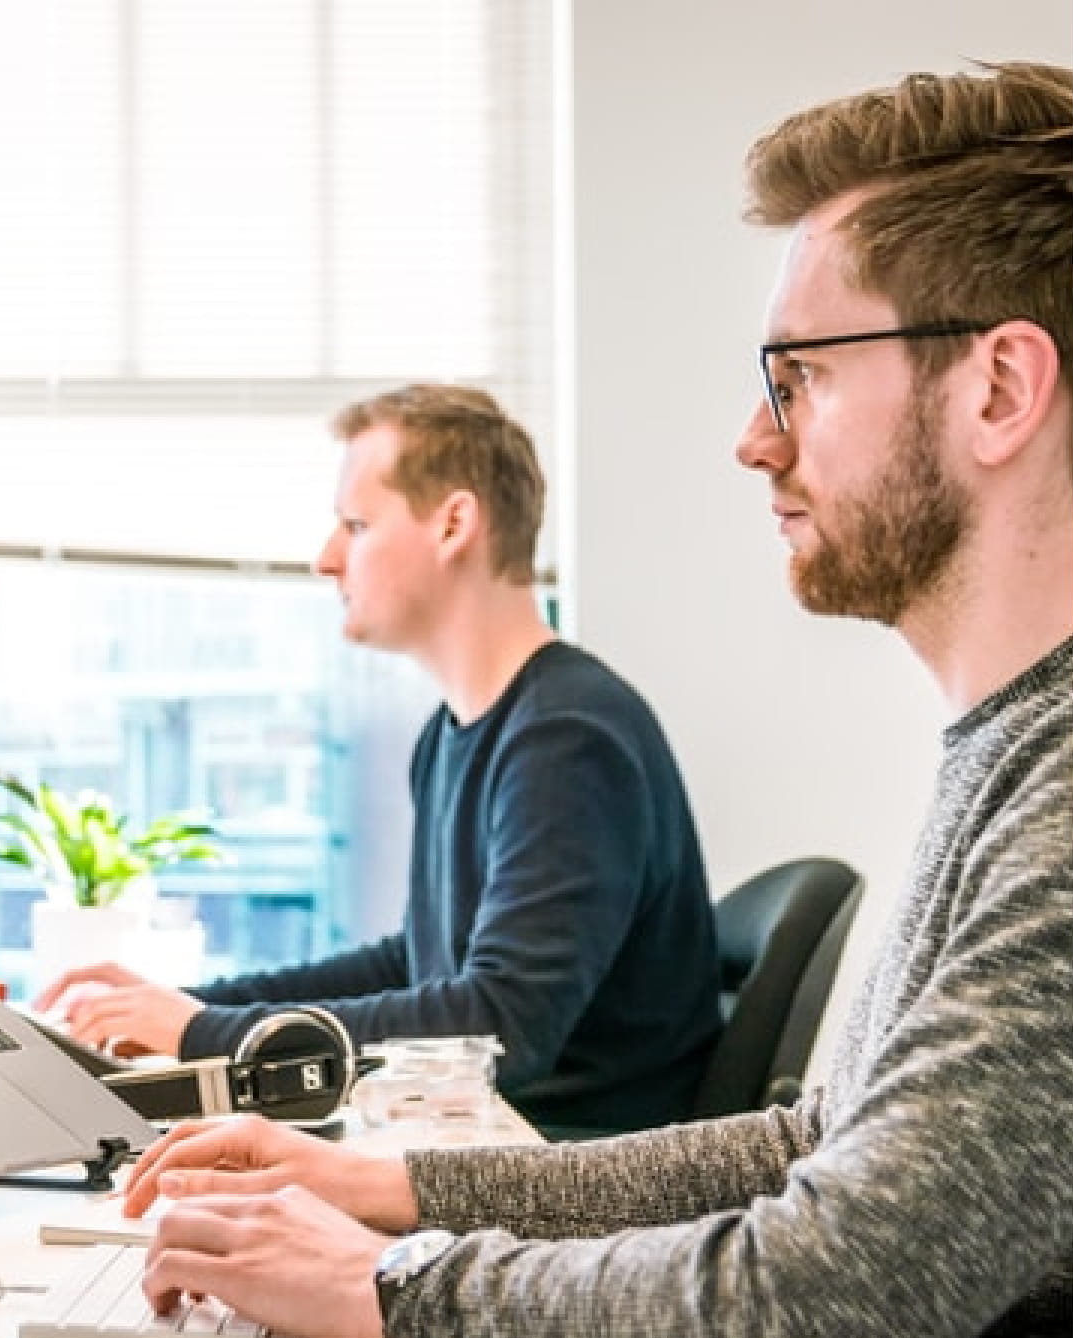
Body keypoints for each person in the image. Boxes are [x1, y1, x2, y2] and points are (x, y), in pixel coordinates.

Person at [112, 61, 1073, 1338]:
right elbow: (812, 1149)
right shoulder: (1008, 753)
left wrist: (394, 1280)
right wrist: (399, 1191)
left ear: (997, 390)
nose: (754, 440)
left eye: (798, 377)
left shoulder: (1065, 798)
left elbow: (821, 1309)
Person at [38, 383, 722, 1136]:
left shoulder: (568, 740)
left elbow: (499, 1029)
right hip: (485, 1142)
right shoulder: (457, 733)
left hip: (563, 1171)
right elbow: (417, 964)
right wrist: (194, 1008)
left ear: (454, 524)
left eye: (356, 525)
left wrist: (204, 1036)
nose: (325, 559)